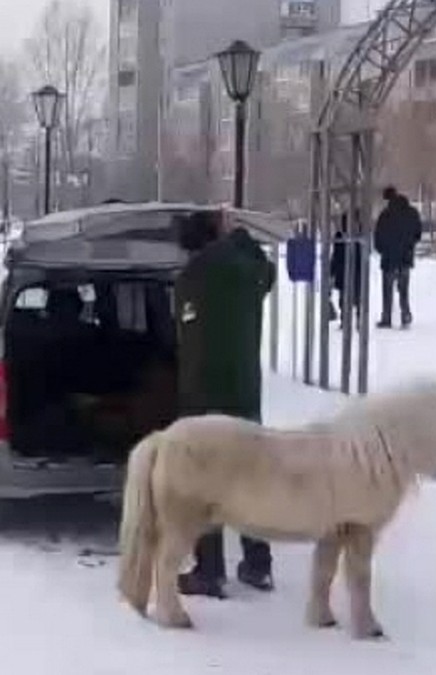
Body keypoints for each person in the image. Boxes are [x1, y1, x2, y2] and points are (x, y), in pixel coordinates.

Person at [173, 210, 276, 599]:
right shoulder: (248, 273)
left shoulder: (190, 281)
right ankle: (257, 565)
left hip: (204, 404)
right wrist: (240, 235)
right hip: (245, 398)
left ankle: (209, 572)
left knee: (207, 490)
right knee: (249, 485)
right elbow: (266, 270)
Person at [373, 187, 422, 329]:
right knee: (403, 290)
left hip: (389, 259)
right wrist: (409, 245)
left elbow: (378, 236)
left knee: (387, 291)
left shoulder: (385, 215)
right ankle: (405, 314)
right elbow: (417, 233)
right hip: (405, 258)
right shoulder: (412, 213)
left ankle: (386, 317)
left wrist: (382, 250)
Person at [329, 222, 365, 327]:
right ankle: (358, 319)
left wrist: (332, 271)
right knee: (358, 297)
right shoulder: (360, 237)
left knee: (345, 298)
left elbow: (335, 256)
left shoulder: (340, 237)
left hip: (343, 271)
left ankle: (345, 320)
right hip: (356, 271)